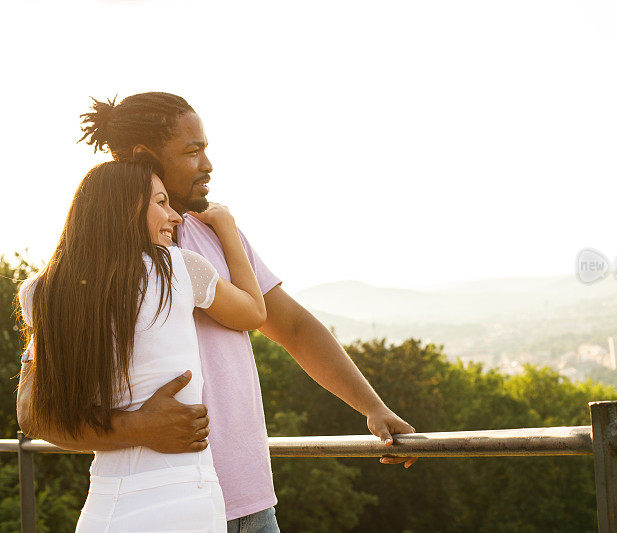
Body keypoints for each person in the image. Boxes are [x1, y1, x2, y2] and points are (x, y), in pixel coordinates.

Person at [16, 92, 418, 532]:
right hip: (162, 509)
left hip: (255, 505)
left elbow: (297, 330)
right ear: (143, 156)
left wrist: (373, 407)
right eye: (193, 151)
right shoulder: (91, 271)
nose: (208, 164)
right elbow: (36, 411)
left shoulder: (219, 238)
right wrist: (135, 428)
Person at [18, 160, 269, 530]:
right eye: (161, 202)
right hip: (186, 500)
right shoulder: (178, 266)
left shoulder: (44, 290)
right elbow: (253, 312)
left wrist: (135, 427)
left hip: (103, 506)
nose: (175, 217)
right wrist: (227, 227)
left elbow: (30, 415)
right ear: (127, 207)